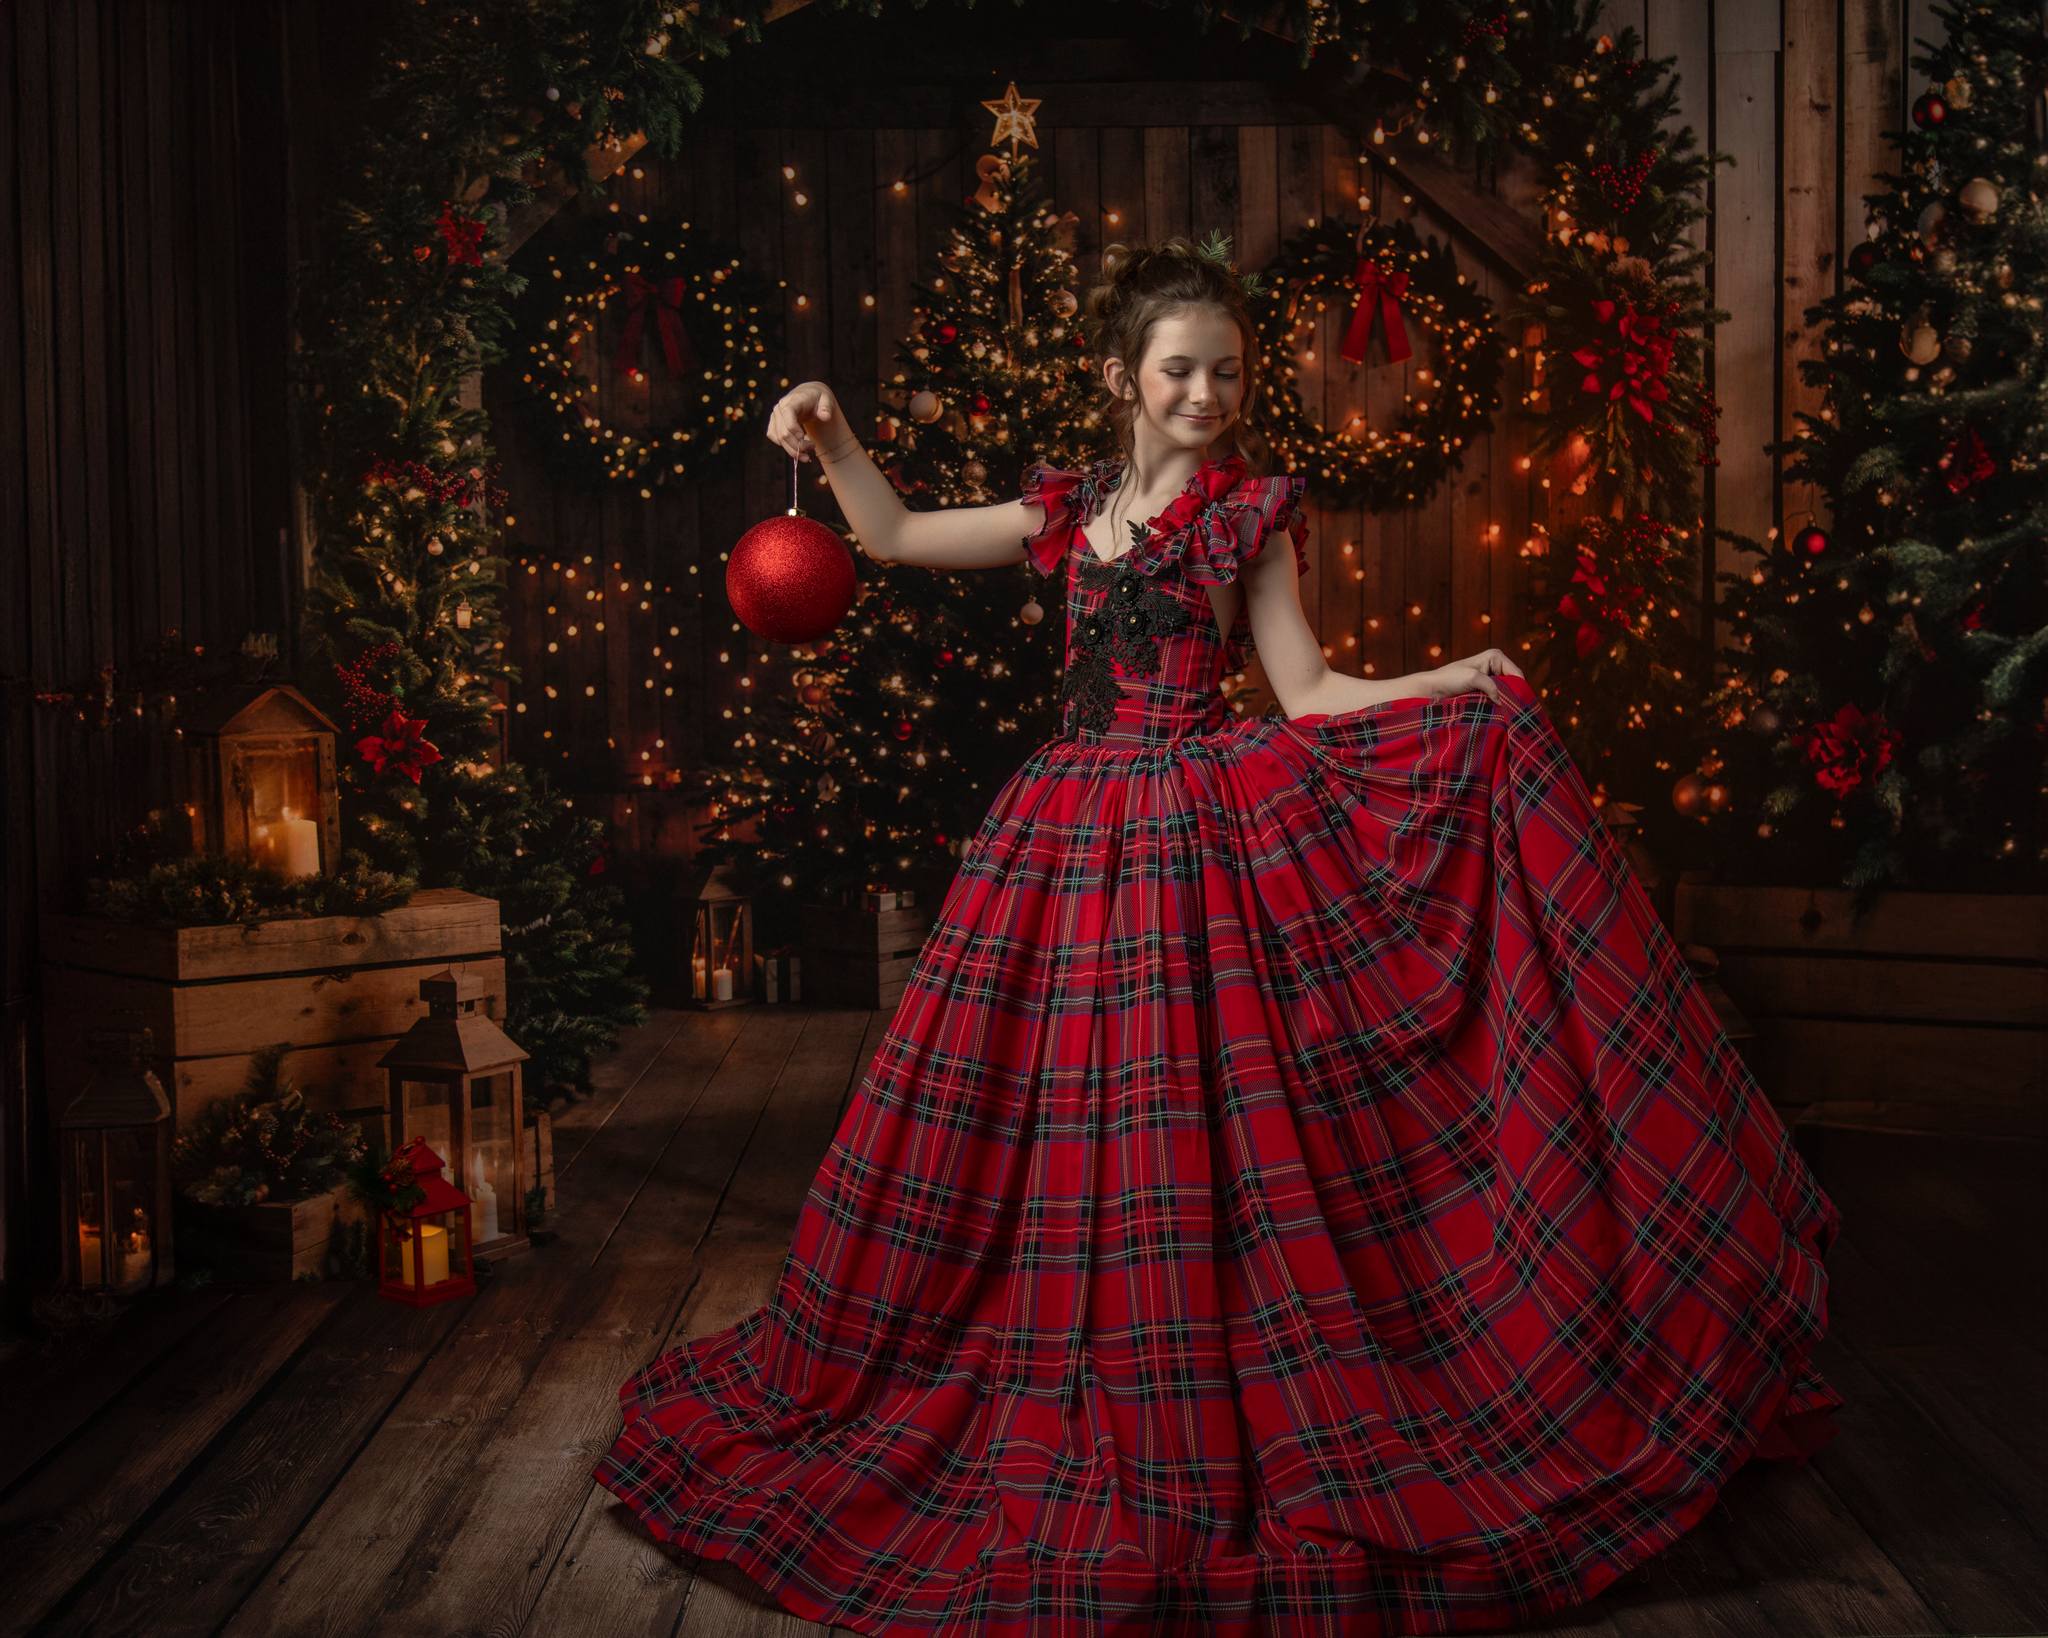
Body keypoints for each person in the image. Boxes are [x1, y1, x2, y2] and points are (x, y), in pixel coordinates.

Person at [592, 235, 1843, 1636]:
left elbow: (1304, 691)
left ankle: (1200, 1355)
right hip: (1064, 839)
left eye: (1228, 371)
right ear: (1124, 375)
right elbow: (887, 537)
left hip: (1199, 828)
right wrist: (827, 432)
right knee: (1043, 1115)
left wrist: (1449, 678)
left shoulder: (1253, 515)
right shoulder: (1066, 509)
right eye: (1181, 368)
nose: (1207, 391)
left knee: (1205, 1118)